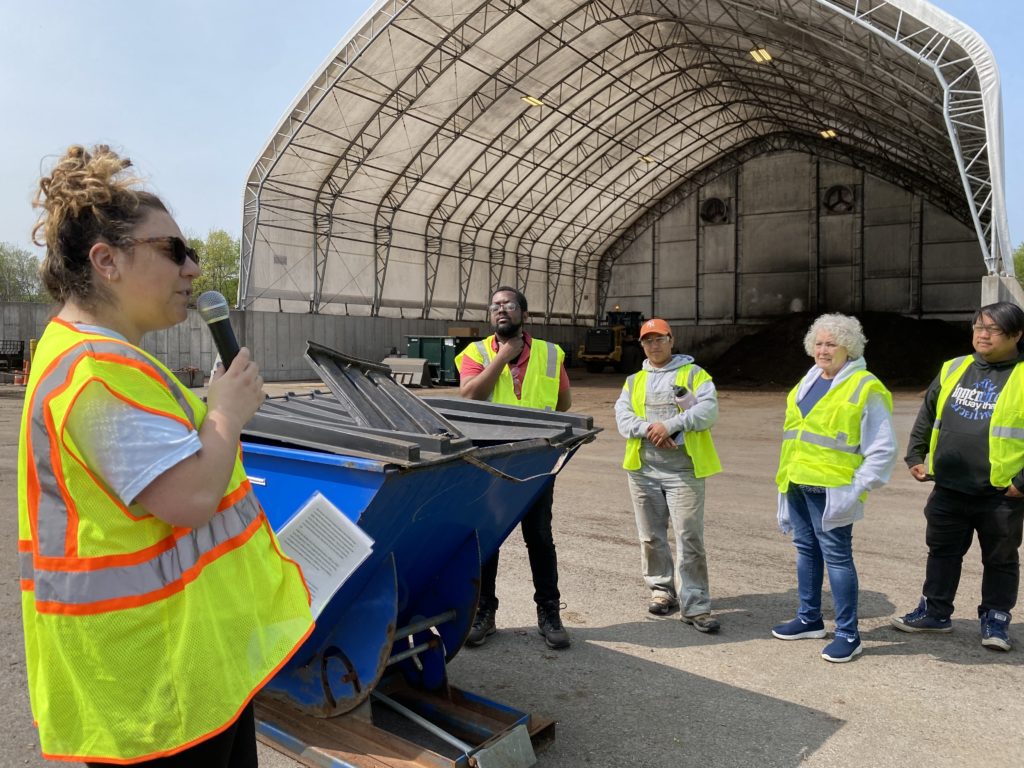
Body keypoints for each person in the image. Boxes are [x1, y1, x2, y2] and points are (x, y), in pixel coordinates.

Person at [18, 145, 314, 766]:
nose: (193, 268)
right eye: (173, 250)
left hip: (186, 666)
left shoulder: (104, 357)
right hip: (151, 688)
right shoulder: (92, 372)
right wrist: (228, 413)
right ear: (107, 261)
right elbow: (190, 498)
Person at [892, 301, 1024, 652]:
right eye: (978, 326)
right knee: (942, 552)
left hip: (999, 493)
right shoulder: (953, 368)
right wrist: (915, 454)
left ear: (1016, 334)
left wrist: (1020, 483)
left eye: (992, 329)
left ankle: (995, 618)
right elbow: (928, 413)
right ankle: (935, 613)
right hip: (949, 486)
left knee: (1000, 558)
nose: (982, 334)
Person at [773, 313, 897, 663]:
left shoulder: (865, 387)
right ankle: (809, 618)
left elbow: (883, 448)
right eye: (819, 343)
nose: (823, 350)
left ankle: (848, 634)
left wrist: (856, 488)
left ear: (850, 348)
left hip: (832, 490)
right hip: (797, 481)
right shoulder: (808, 381)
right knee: (806, 552)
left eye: (832, 344)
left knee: (838, 559)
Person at [454, 286, 573, 649]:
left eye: (507, 305)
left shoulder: (551, 354)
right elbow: (470, 396)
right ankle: (484, 612)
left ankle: (549, 612)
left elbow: (564, 403)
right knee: (487, 539)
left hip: (537, 461)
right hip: (491, 461)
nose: (500, 310)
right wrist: (503, 357)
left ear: (524, 313)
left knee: (538, 537)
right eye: (494, 306)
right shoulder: (475, 353)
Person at [614, 318, 723, 633]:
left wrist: (672, 425)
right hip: (643, 469)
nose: (654, 345)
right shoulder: (634, 381)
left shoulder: (694, 374)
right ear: (643, 345)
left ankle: (697, 606)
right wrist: (651, 429)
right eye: (648, 340)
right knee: (651, 536)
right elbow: (623, 418)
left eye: (659, 338)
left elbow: (708, 411)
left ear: (671, 340)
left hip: (683, 469)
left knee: (689, 536)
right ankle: (662, 591)